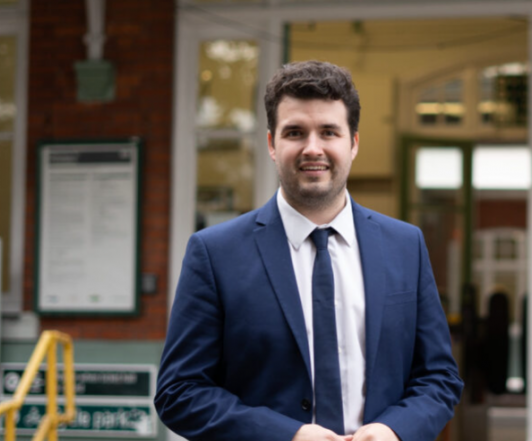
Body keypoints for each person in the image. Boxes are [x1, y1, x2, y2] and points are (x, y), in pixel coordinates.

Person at [155, 60, 463, 441]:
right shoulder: (215, 253)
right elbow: (179, 392)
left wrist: (394, 430)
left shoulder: (405, 246)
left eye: (329, 132)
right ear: (272, 144)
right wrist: (288, 436)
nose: (312, 148)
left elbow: (439, 377)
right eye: (295, 132)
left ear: (353, 143)